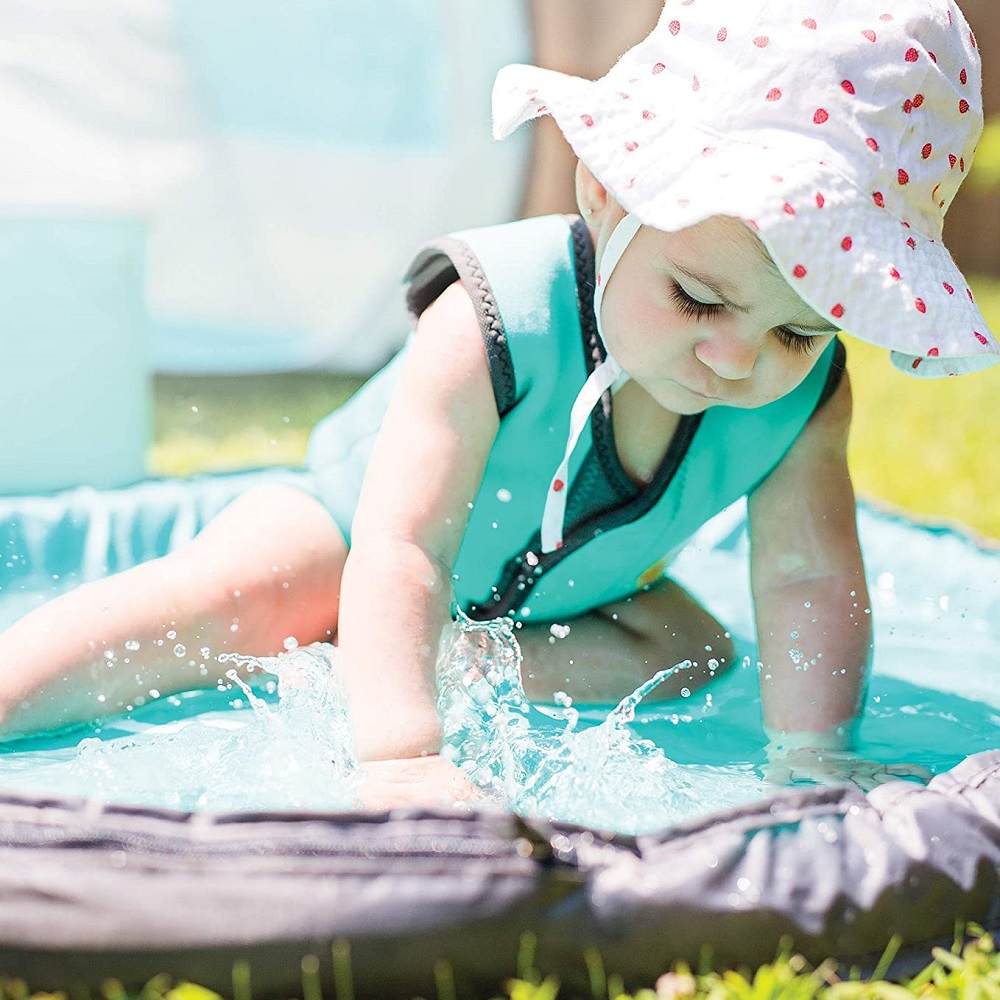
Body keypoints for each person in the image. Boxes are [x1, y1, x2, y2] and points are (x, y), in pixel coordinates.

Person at [0, 0, 995, 805]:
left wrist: (812, 752)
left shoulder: (804, 402)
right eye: (697, 296)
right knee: (223, 599)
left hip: (563, 605)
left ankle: (429, 664)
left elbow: (806, 580)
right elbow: (403, 544)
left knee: (691, 649)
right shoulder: (493, 317)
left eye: (799, 329)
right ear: (604, 193)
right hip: (352, 543)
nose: (737, 359)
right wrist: (400, 756)